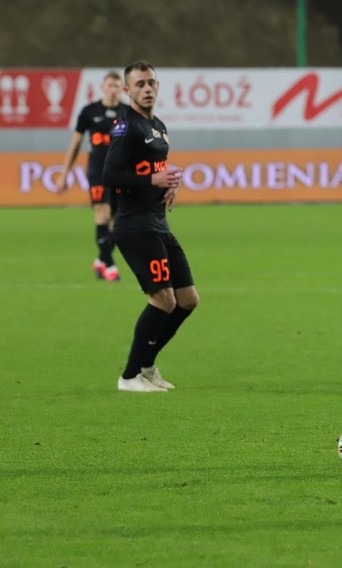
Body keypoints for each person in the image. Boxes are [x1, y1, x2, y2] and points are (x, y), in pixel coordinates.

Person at [103, 60, 199, 393]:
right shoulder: (125, 126)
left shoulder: (157, 125)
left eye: (151, 83)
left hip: (157, 221)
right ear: (128, 91)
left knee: (187, 299)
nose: (147, 89)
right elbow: (110, 176)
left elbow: (154, 168)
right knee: (163, 301)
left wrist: (169, 182)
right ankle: (130, 376)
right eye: (140, 84)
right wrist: (152, 178)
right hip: (135, 226)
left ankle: (147, 365)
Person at [58, 71, 130, 281]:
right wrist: (64, 174)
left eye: (117, 86)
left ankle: (101, 259)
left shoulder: (127, 112)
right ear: (103, 87)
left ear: (122, 89)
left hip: (121, 173)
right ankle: (110, 266)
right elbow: (75, 143)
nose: (113, 89)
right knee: (102, 214)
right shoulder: (90, 112)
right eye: (110, 85)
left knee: (118, 222)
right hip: (98, 171)